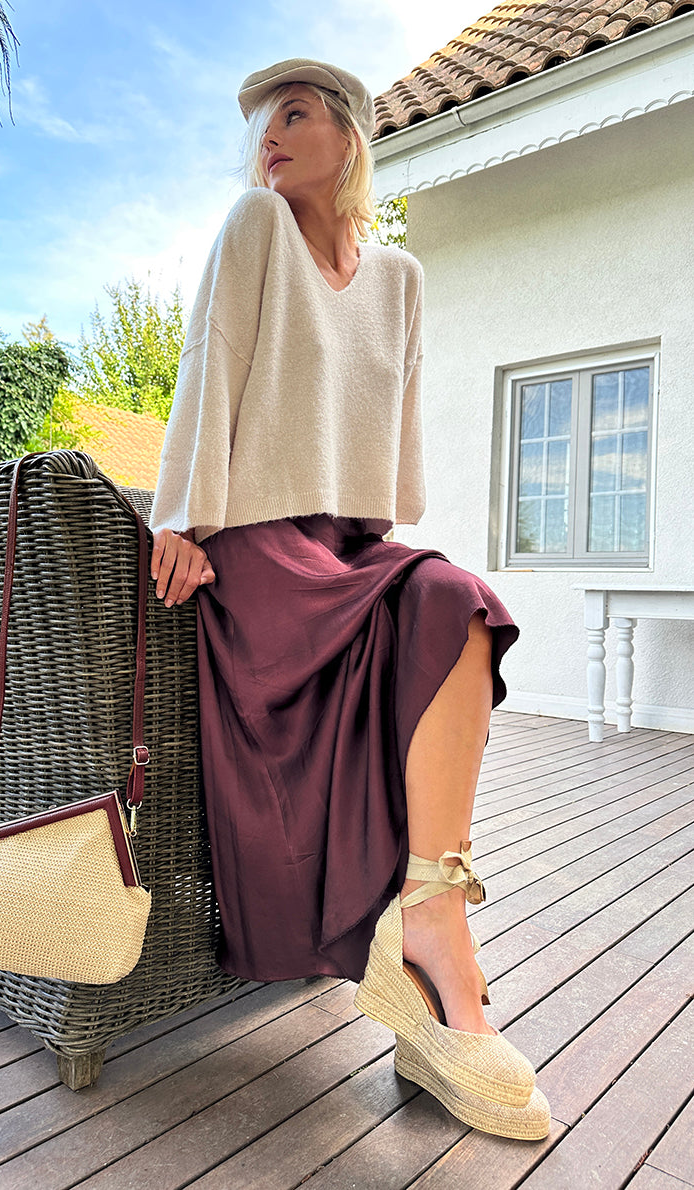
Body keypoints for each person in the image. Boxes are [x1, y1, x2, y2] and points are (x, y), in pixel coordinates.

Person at [148, 58, 549, 1141]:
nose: (267, 138)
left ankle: (430, 928)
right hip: (257, 557)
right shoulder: (253, 228)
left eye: (295, 114)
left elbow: (393, 466)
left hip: (343, 542)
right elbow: (207, 361)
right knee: (448, 595)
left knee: (454, 601)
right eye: (260, 123)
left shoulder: (400, 277)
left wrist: (366, 540)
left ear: (351, 138)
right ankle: (437, 962)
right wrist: (179, 517)